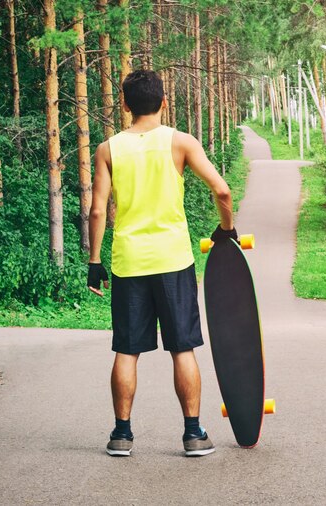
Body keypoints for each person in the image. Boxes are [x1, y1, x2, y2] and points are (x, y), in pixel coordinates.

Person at [87, 70, 237, 457]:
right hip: (173, 259)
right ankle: (193, 434)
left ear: (125, 104)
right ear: (164, 102)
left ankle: (121, 435)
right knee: (182, 347)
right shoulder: (180, 142)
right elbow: (221, 189)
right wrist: (226, 230)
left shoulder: (108, 149)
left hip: (128, 262)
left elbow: (97, 211)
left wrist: (94, 260)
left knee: (127, 349)